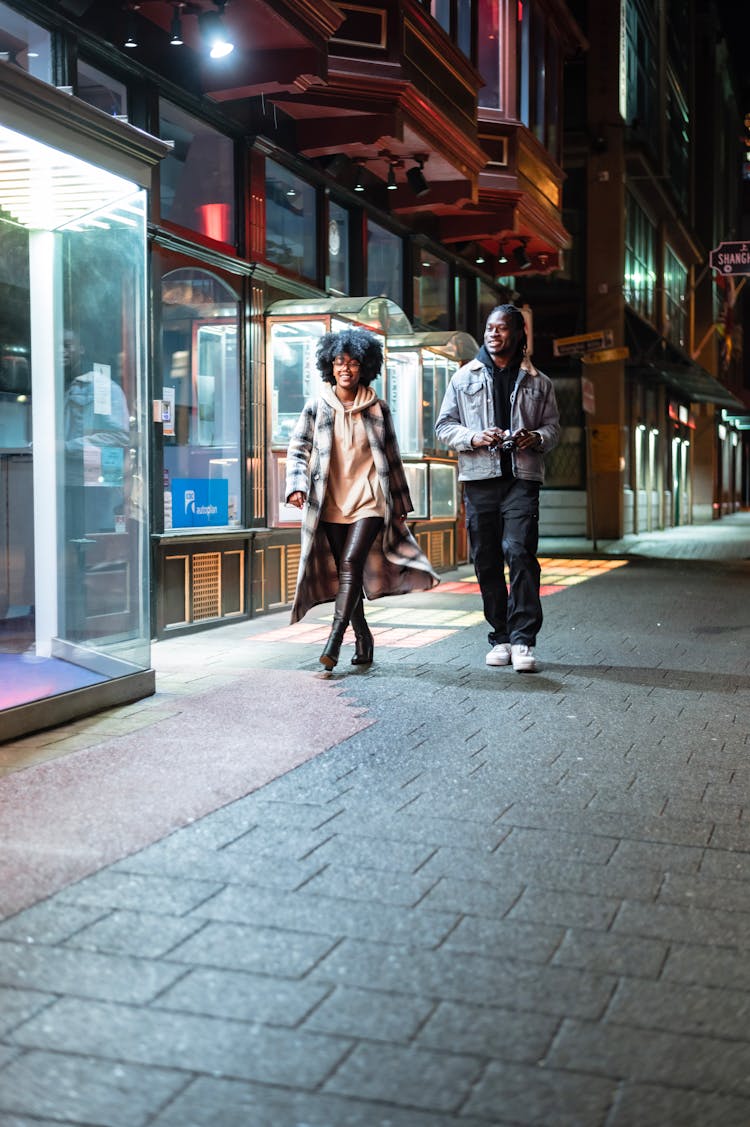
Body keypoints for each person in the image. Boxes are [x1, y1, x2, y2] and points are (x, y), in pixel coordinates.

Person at [286, 327, 439, 670]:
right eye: (339, 361)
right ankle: (364, 636)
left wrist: (400, 507)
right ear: (330, 365)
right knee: (345, 571)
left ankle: (334, 640)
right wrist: (296, 486)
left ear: (364, 367)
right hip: (330, 501)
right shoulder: (316, 406)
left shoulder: (377, 407)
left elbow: (392, 457)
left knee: (352, 564)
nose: (346, 368)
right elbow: (298, 450)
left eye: (353, 362)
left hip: (370, 499)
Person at [435, 304, 560, 672]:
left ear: (519, 333)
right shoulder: (464, 377)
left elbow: (553, 430)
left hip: (522, 479)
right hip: (479, 480)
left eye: (501, 328)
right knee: (486, 559)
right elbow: (444, 426)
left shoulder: (540, 382)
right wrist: (474, 437)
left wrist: (534, 437)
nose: (493, 334)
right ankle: (500, 636)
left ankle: (523, 640)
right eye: (489, 327)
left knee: (519, 552)